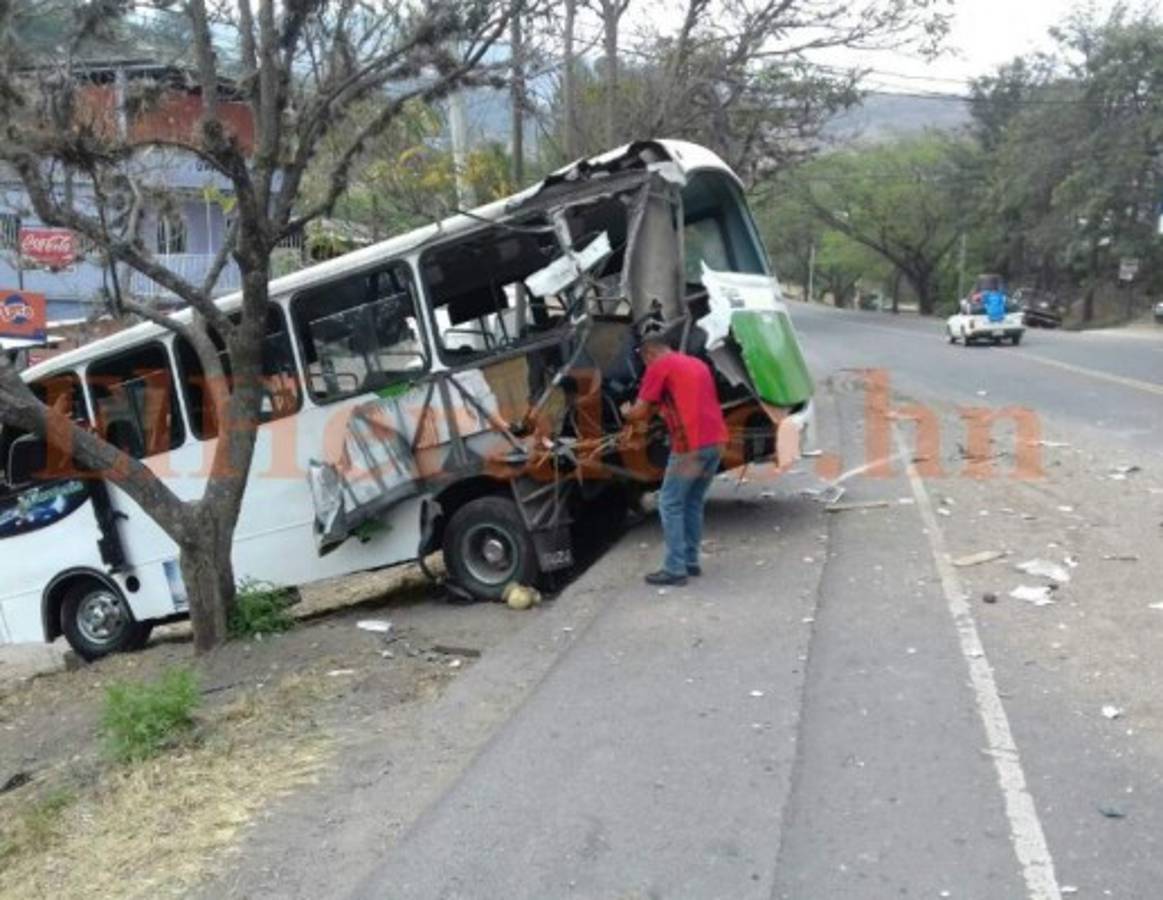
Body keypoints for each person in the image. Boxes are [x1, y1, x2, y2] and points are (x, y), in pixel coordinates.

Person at [621, 332, 728, 586]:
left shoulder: (659, 367)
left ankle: (674, 568)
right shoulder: (697, 363)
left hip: (690, 446)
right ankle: (690, 562)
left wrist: (627, 413)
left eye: (644, 360)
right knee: (692, 501)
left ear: (649, 353)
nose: (645, 366)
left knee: (669, 502)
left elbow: (640, 411)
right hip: (716, 441)